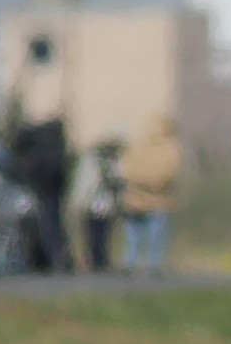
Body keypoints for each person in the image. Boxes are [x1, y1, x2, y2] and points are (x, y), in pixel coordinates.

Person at [117, 114, 182, 276]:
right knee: (156, 233)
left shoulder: (136, 144)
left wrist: (138, 182)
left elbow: (125, 168)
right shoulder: (171, 147)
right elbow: (169, 172)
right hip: (159, 197)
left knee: (134, 233)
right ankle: (154, 264)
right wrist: (154, 183)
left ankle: (129, 262)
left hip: (135, 196)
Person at [12, 118, 72, 273]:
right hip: (48, 192)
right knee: (50, 226)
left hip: (41, 192)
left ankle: (50, 258)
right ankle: (53, 258)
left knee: (46, 226)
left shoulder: (40, 149)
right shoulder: (54, 148)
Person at [66, 139, 125, 272]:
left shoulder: (92, 161)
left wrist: (79, 202)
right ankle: (99, 261)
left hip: (96, 205)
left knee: (96, 235)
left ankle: (98, 261)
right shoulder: (110, 161)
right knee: (99, 235)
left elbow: (85, 184)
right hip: (102, 204)